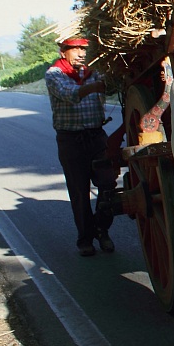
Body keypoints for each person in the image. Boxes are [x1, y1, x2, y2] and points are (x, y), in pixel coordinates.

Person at [45, 37, 117, 257]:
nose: (81, 54)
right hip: (71, 141)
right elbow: (70, 94)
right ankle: (85, 239)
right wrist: (96, 86)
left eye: (84, 50)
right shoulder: (54, 74)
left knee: (108, 187)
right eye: (75, 49)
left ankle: (101, 229)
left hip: (96, 136)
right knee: (79, 192)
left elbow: (111, 85)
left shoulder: (92, 71)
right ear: (63, 51)